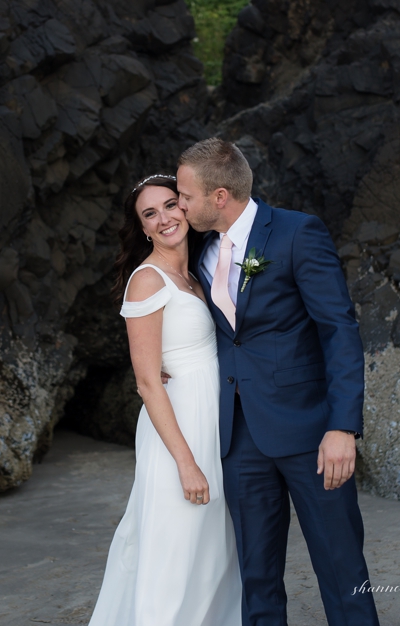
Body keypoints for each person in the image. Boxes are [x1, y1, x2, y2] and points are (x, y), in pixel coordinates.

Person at [176, 138, 381, 626]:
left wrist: (343, 427)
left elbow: (339, 330)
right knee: (257, 578)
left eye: (185, 195)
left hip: (311, 431)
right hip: (239, 436)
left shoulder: (296, 233)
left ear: (220, 196)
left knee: (340, 565)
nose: (179, 204)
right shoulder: (198, 247)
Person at [88, 174, 242, 626]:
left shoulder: (197, 273)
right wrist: (186, 463)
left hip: (212, 422)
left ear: (188, 208)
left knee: (212, 550)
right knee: (174, 550)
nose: (165, 218)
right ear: (143, 230)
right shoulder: (147, 281)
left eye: (171, 205)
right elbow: (148, 382)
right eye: (149, 214)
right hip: (178, 433)